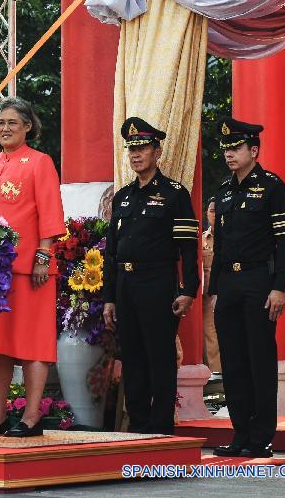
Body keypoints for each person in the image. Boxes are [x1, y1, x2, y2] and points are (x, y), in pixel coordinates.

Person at [0, 97, 65, 438]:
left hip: (29, 270)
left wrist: (43, 256)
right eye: (0, 122)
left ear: (28, 127)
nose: (4, 128)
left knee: (32, 344)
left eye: (12, 122)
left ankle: (32, 416)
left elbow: (50, 212)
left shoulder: (40, 163)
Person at [102, 117, 199, 435]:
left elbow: (188, 248)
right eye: (131, 149)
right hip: (125, 285)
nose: (136, 155)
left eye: (142, 148)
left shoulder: (174, 194)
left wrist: (187, 290)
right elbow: (111, 253)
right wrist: (109, 298)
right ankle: (139, 425)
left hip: (157, 283)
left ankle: (161, 427)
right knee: (132, 355)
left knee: (159, 354)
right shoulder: (123, 197)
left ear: (157, 151)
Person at [210, 117, 285, 459]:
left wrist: (280, 287)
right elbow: (220, 244)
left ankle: (261, 437)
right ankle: (241, 433)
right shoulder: (225, 191)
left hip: (259, 282)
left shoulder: (273, 187)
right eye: (226, 150)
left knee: (259, 359)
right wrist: (215, 288)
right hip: (229, 284)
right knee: (232, 362)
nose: (229, 155)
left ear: (254, 150)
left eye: (236, 148)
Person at [201, 198, 222, 375]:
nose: (214, 214)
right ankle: (215, 374)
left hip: (229, 292)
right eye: (211, 210)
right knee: (210, 333)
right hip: (208, 296)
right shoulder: (202, 240)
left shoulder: (231, 237)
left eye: (217, 210)